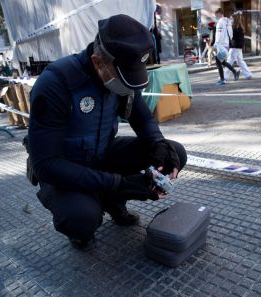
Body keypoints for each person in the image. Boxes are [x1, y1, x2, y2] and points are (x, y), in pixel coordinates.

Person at [27, 14, 187, 249]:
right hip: (63, 168)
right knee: (81, 219)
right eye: (122, 78)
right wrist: (118, 183)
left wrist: (159, 144)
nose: (127, 86)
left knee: (175, 152)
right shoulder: (56, 83)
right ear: (97, 62)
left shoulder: (120, 74)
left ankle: (112, 201)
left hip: (102, 152)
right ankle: (80, 224)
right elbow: (46, 165)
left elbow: (142, 119)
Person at [213, 8, 239, 86]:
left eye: (216, 14)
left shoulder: (220, 22)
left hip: (220, 44)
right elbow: (231, 34)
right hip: (226, 44)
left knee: (218, 62)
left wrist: (216, 44)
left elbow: (219, 34)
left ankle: (222, 80)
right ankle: (235, 72)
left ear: (219, 13)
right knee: (222, 62)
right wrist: (228, 41)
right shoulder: (228, 22)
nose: (216, 16)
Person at [227, 14, 252, 80]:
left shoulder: (235, 28)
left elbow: (231, 37)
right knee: (240, 61)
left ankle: (224, 76)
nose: (230, 20)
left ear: (235, 19)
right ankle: (248, 74)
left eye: (231, 18)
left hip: (234, 47)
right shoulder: (239, 27)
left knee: (229, 61)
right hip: (238, 47)